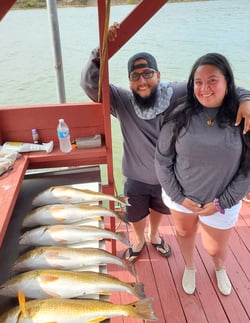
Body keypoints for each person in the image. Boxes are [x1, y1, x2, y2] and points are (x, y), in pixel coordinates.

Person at [80, 22, 250, 263]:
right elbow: (90, 85)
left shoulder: (176, 93)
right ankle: (139, 239)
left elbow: (215, 86)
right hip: (136, 176)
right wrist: (100, 51)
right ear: (129, 81)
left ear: (158, 76)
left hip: (171, 178)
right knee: (135, 213)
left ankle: (154, 235)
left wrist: (246, 99)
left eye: (148, 73)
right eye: (135, 76)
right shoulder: (122, 101)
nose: (142, 80)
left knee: (160, 210)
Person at [155, 53, 250, 296]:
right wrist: (179, 197)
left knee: (215, 248)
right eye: (198, 82)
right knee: (185, 234)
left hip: (222, 204)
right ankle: (189, 266)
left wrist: (221, 202)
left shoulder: (242, 117)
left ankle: (219, 267)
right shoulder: (179, 114)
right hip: (181, 199)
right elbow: (163, 160)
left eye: (212, 81)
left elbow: (248, 170)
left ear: (227, 82)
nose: (204, 88)